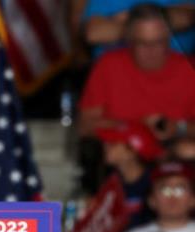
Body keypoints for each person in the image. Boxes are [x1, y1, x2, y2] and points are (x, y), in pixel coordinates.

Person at [78, 3, 195, 140]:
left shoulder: (188, 70)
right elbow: (85, 125)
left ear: (169, 39)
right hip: (120, 152)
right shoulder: (108, 66)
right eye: (142, 43)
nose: (151, 51)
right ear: (129, 40)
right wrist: (137, 128)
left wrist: (178, 127)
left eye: (158, 42)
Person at [82, 0, 195, 58]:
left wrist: (124, 20)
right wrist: (164, 17)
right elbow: (94, 33)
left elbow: (186, 18)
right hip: (116, 78)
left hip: (175, 76)